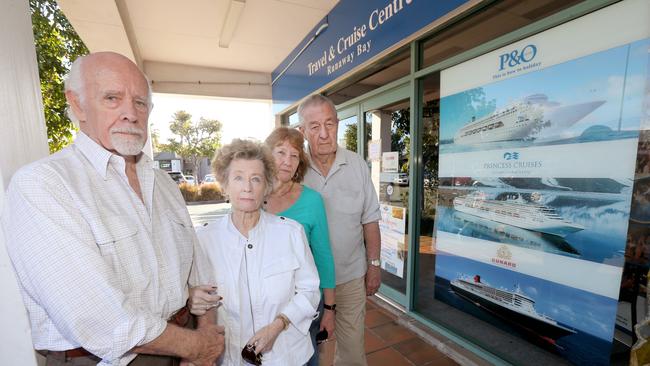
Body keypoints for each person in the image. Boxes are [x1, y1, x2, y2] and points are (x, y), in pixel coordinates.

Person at [1, 52, 224, 366]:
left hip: (184, 347)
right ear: (77, 104)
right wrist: (196, 347)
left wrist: (204, 335)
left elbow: (199, 274)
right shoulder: (44, 184)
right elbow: (98, 319)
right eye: (111, 98)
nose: (130, 114)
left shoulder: (163, 183)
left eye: (140, 102)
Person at [188, 139, 320, 365]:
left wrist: (278, 325)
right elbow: (191, 293)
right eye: (238, 177)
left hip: (286, 356)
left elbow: (309, 290)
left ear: (267, 185)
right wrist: (190, 298)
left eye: (255, 179)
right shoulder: (203, 240)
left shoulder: (291, 233)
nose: (247, 187)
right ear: (224, 184)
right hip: (229, 358)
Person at [299, 94, 382, 366]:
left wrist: (374, 265)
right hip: (305, 284)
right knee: (311, 350)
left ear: (337, 124)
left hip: (350, 278)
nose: (324, 134)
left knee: (353, 352)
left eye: (330, 124)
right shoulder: (294, 169)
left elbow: (370, 219)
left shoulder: (356, 164)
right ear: (303, 131)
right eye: (314, 126)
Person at [264, 127, 336, 365]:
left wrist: (330, 309)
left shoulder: (312, 200)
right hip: (262, 306)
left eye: (294, 155)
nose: (287, 161)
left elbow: (324, 257)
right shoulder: (252, 196)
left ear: (300, 163)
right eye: (280, 152)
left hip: (302, 307)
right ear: (266, 154)